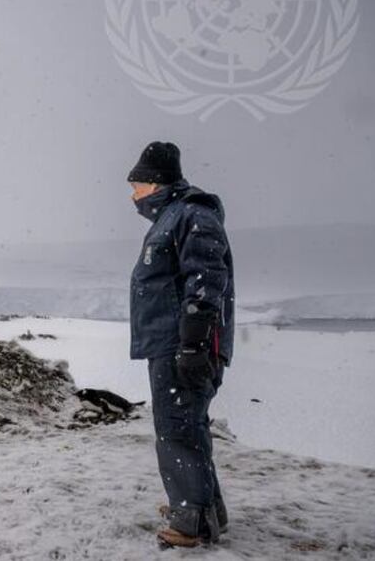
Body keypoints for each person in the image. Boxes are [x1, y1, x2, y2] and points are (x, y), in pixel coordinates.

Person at [127, 141, 234, 548]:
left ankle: (191, 520)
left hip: (183, 344)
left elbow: (206, 278)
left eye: (137, 186)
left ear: (156, 183)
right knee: (188, 424)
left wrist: (193, 342)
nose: (133, 195)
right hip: (170, 342)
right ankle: (207, 510)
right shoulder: (174, 217)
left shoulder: (191, 214)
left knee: (177, 427)